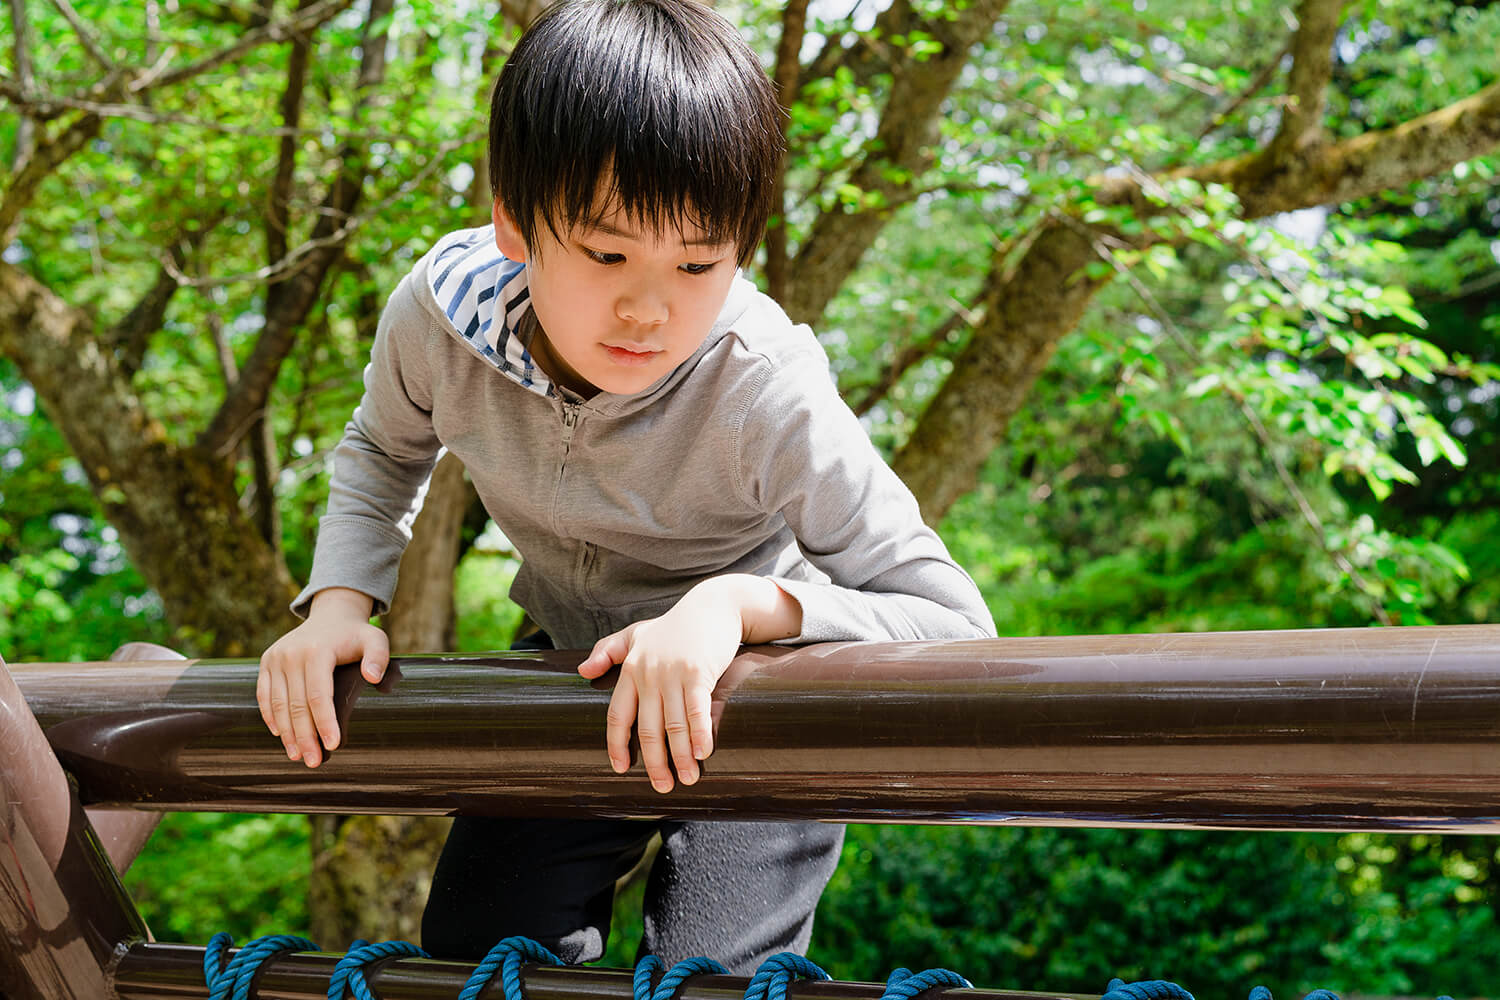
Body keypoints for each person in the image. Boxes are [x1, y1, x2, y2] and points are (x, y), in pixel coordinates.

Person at [257, 0, 996, 973]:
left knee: (710, 975)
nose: (650, 308)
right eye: (608, 253)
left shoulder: (764, 383)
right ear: (514, 223)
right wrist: (341, 603)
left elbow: (951, 621)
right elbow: (381, 450)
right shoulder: (440, 322)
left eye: (698, 263)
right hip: (570, 661)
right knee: (480, 954)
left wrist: (735, 605)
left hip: (761, 685)